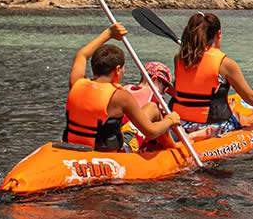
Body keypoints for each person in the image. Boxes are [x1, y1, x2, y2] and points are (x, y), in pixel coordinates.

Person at [64, 23, 180, 151]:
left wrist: (109, 33)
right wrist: (170, 120)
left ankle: (171, 148)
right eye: (124, 68)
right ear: (118, 69)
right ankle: (172, 150)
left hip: (73, 146)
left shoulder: (77, 83)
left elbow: (82, 55)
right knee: (152, 108)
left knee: (151, 108)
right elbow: (151, 131)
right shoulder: (120, 96)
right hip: (109, 155)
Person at [171, 12, 253, 139]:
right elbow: (250, 97)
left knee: (234, 112)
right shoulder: (225, 64)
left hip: (180, 122)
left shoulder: (179, 58)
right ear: (219, 34)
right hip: (211, 126)